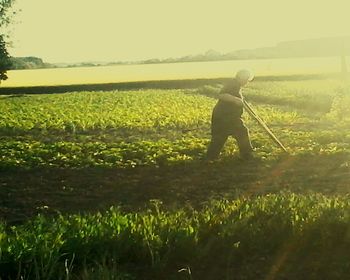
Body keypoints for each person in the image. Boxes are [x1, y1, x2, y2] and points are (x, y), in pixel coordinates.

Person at [206, 69, 254, 160]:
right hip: (225, 116)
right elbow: (222, 95)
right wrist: (236, 100)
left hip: (228, 116)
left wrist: (240, 101)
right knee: (237, 133)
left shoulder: (236, 85)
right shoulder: (232, 84)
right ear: (242, 78)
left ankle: (211, 157)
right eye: (246, 79)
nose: (247, 82)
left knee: (222, 136)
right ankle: (247, 155)